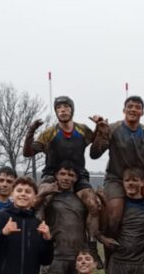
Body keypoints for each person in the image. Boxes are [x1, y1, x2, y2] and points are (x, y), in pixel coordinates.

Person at [22, 96, 105, 244]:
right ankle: (36, 239)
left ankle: (92, 243)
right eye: (59, 108)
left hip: (78, 175)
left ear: (72, 110)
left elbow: (95, 151)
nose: (63, 110)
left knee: (93, 204)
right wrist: (31, 132)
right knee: (40, 202)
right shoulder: (49, 133)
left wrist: (100, 129)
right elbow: (28, 153)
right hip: (52, 175)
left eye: (66, 107)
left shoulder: (82, 130)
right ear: (56, 112)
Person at [88, 96, 144, 237]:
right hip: (116, 178)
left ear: (142, 112)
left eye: (137, 107)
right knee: (114, 214)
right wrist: (101, 134)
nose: (133, 109)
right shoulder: (112, 129)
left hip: (143, 179)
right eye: (130, 106)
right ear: (124, 110)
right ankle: (110, 253)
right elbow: (94, 154)